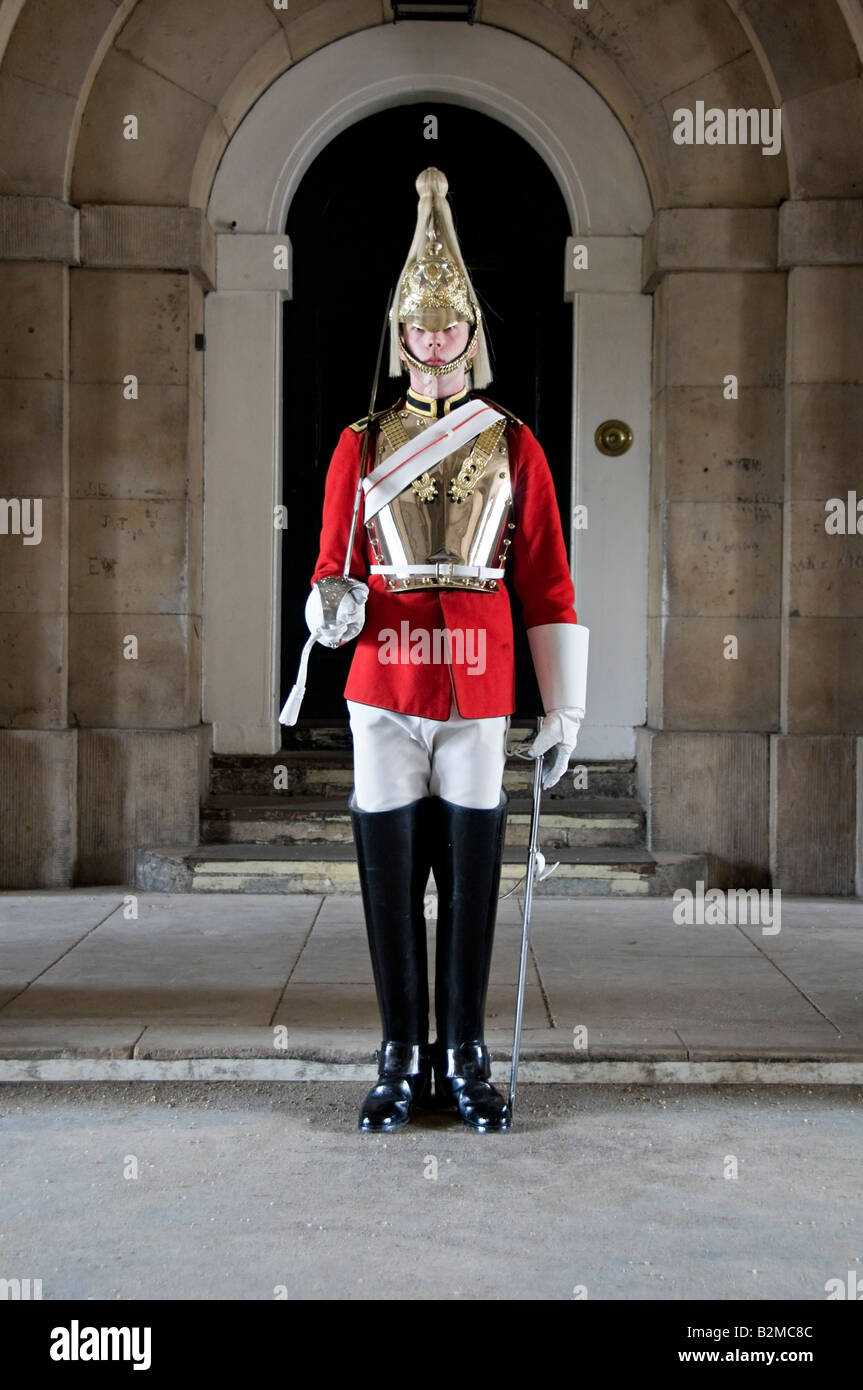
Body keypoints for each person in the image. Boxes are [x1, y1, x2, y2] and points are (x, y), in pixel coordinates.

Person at [301, 168, 588, 1133]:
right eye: (420, 327)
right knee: (389, 881)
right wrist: (326, 611)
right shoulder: (359, 441)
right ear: (402, 333)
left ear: (470, 333)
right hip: (383, 683)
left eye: (449, 326)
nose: (434, 341)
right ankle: (399, 1053)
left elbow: (545, 580)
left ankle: (461, 1052)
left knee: (469, 885)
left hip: (478, 684)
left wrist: (565, 707)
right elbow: (330, 566)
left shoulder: (514, 445)